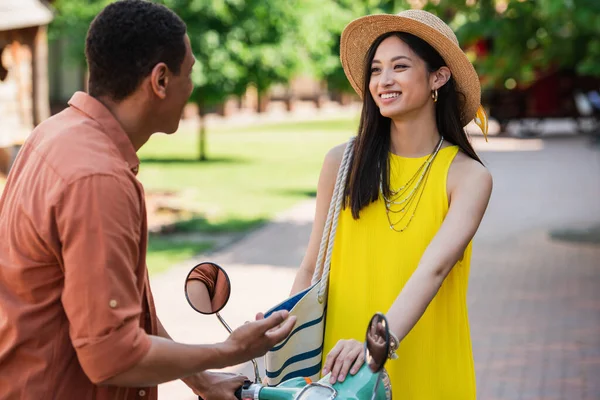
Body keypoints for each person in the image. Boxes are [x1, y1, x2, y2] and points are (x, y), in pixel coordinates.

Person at [0, 1, 295, 399]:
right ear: (160, 81)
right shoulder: (98, 178)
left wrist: (203, 381)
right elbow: (111, 355)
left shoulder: (55, 133)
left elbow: (120, 310)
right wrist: (229, 351)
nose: (191, 87)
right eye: (188, 73)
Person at [289, 9, 493, 399]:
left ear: (438, 77)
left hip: (425, 364)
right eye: (376, 70)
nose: (383, 81)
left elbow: (433, 270)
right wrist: (285, 330)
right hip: (340, 365)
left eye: (399, 67)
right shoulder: (341, 163)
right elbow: (312, 267)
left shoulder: (467, 177)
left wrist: (374, 345)